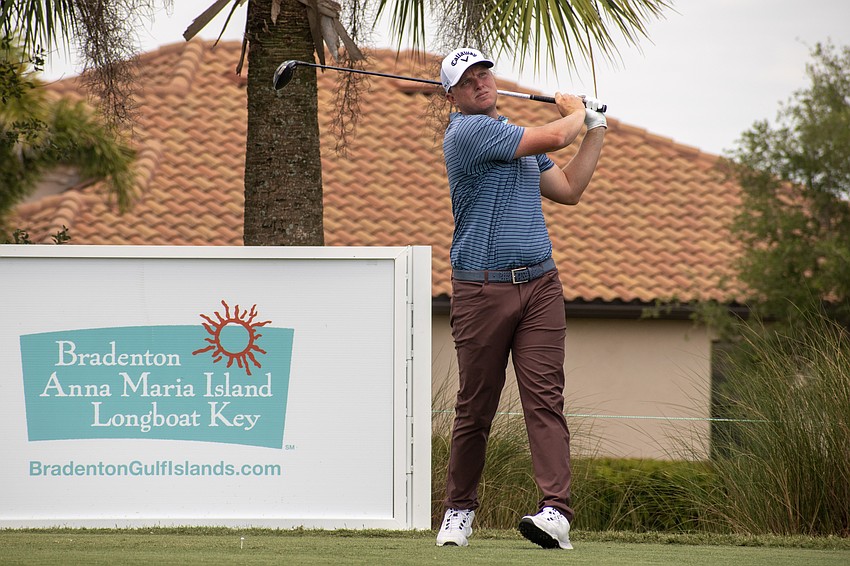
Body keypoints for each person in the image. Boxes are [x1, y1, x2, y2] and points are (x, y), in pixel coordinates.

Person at [435, 47, 607, 550]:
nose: (480, 83)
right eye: (466, 80)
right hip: (481, 289)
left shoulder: (514, 138)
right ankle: (459, 511)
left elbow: (570, 189)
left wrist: (595, 127)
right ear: (452, 96)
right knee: (476, 406)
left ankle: (556, 513)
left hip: (540, 285)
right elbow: (555, 134)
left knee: (545, 400)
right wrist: (574, 110)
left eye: (483, 73)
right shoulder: (467, 133)